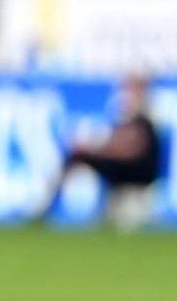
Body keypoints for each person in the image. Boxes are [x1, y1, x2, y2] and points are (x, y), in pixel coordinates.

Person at [31, 74, 163, 222]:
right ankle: (46, 207)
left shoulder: (146, 116)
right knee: (77, 156)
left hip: (138, 173)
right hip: (122, 168)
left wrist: (96, 151)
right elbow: (116, 143)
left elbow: (131, 150)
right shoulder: (125, 112)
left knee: (79, 156)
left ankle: (45, 209)